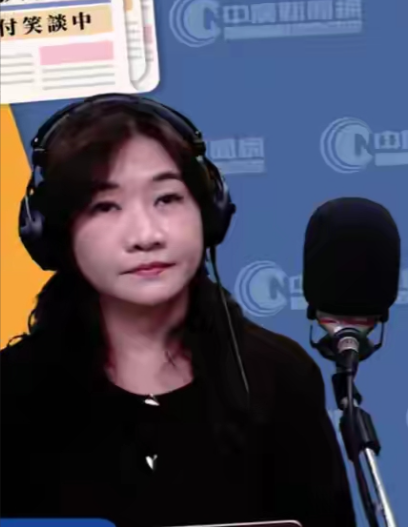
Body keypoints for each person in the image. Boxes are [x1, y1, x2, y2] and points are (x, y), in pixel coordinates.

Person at [1, 94, 357, 527]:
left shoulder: (280, 376)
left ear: (209, 212)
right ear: (55, 234)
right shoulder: (12, 392)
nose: (146, 235)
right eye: (105, 206)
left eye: (167, 198)